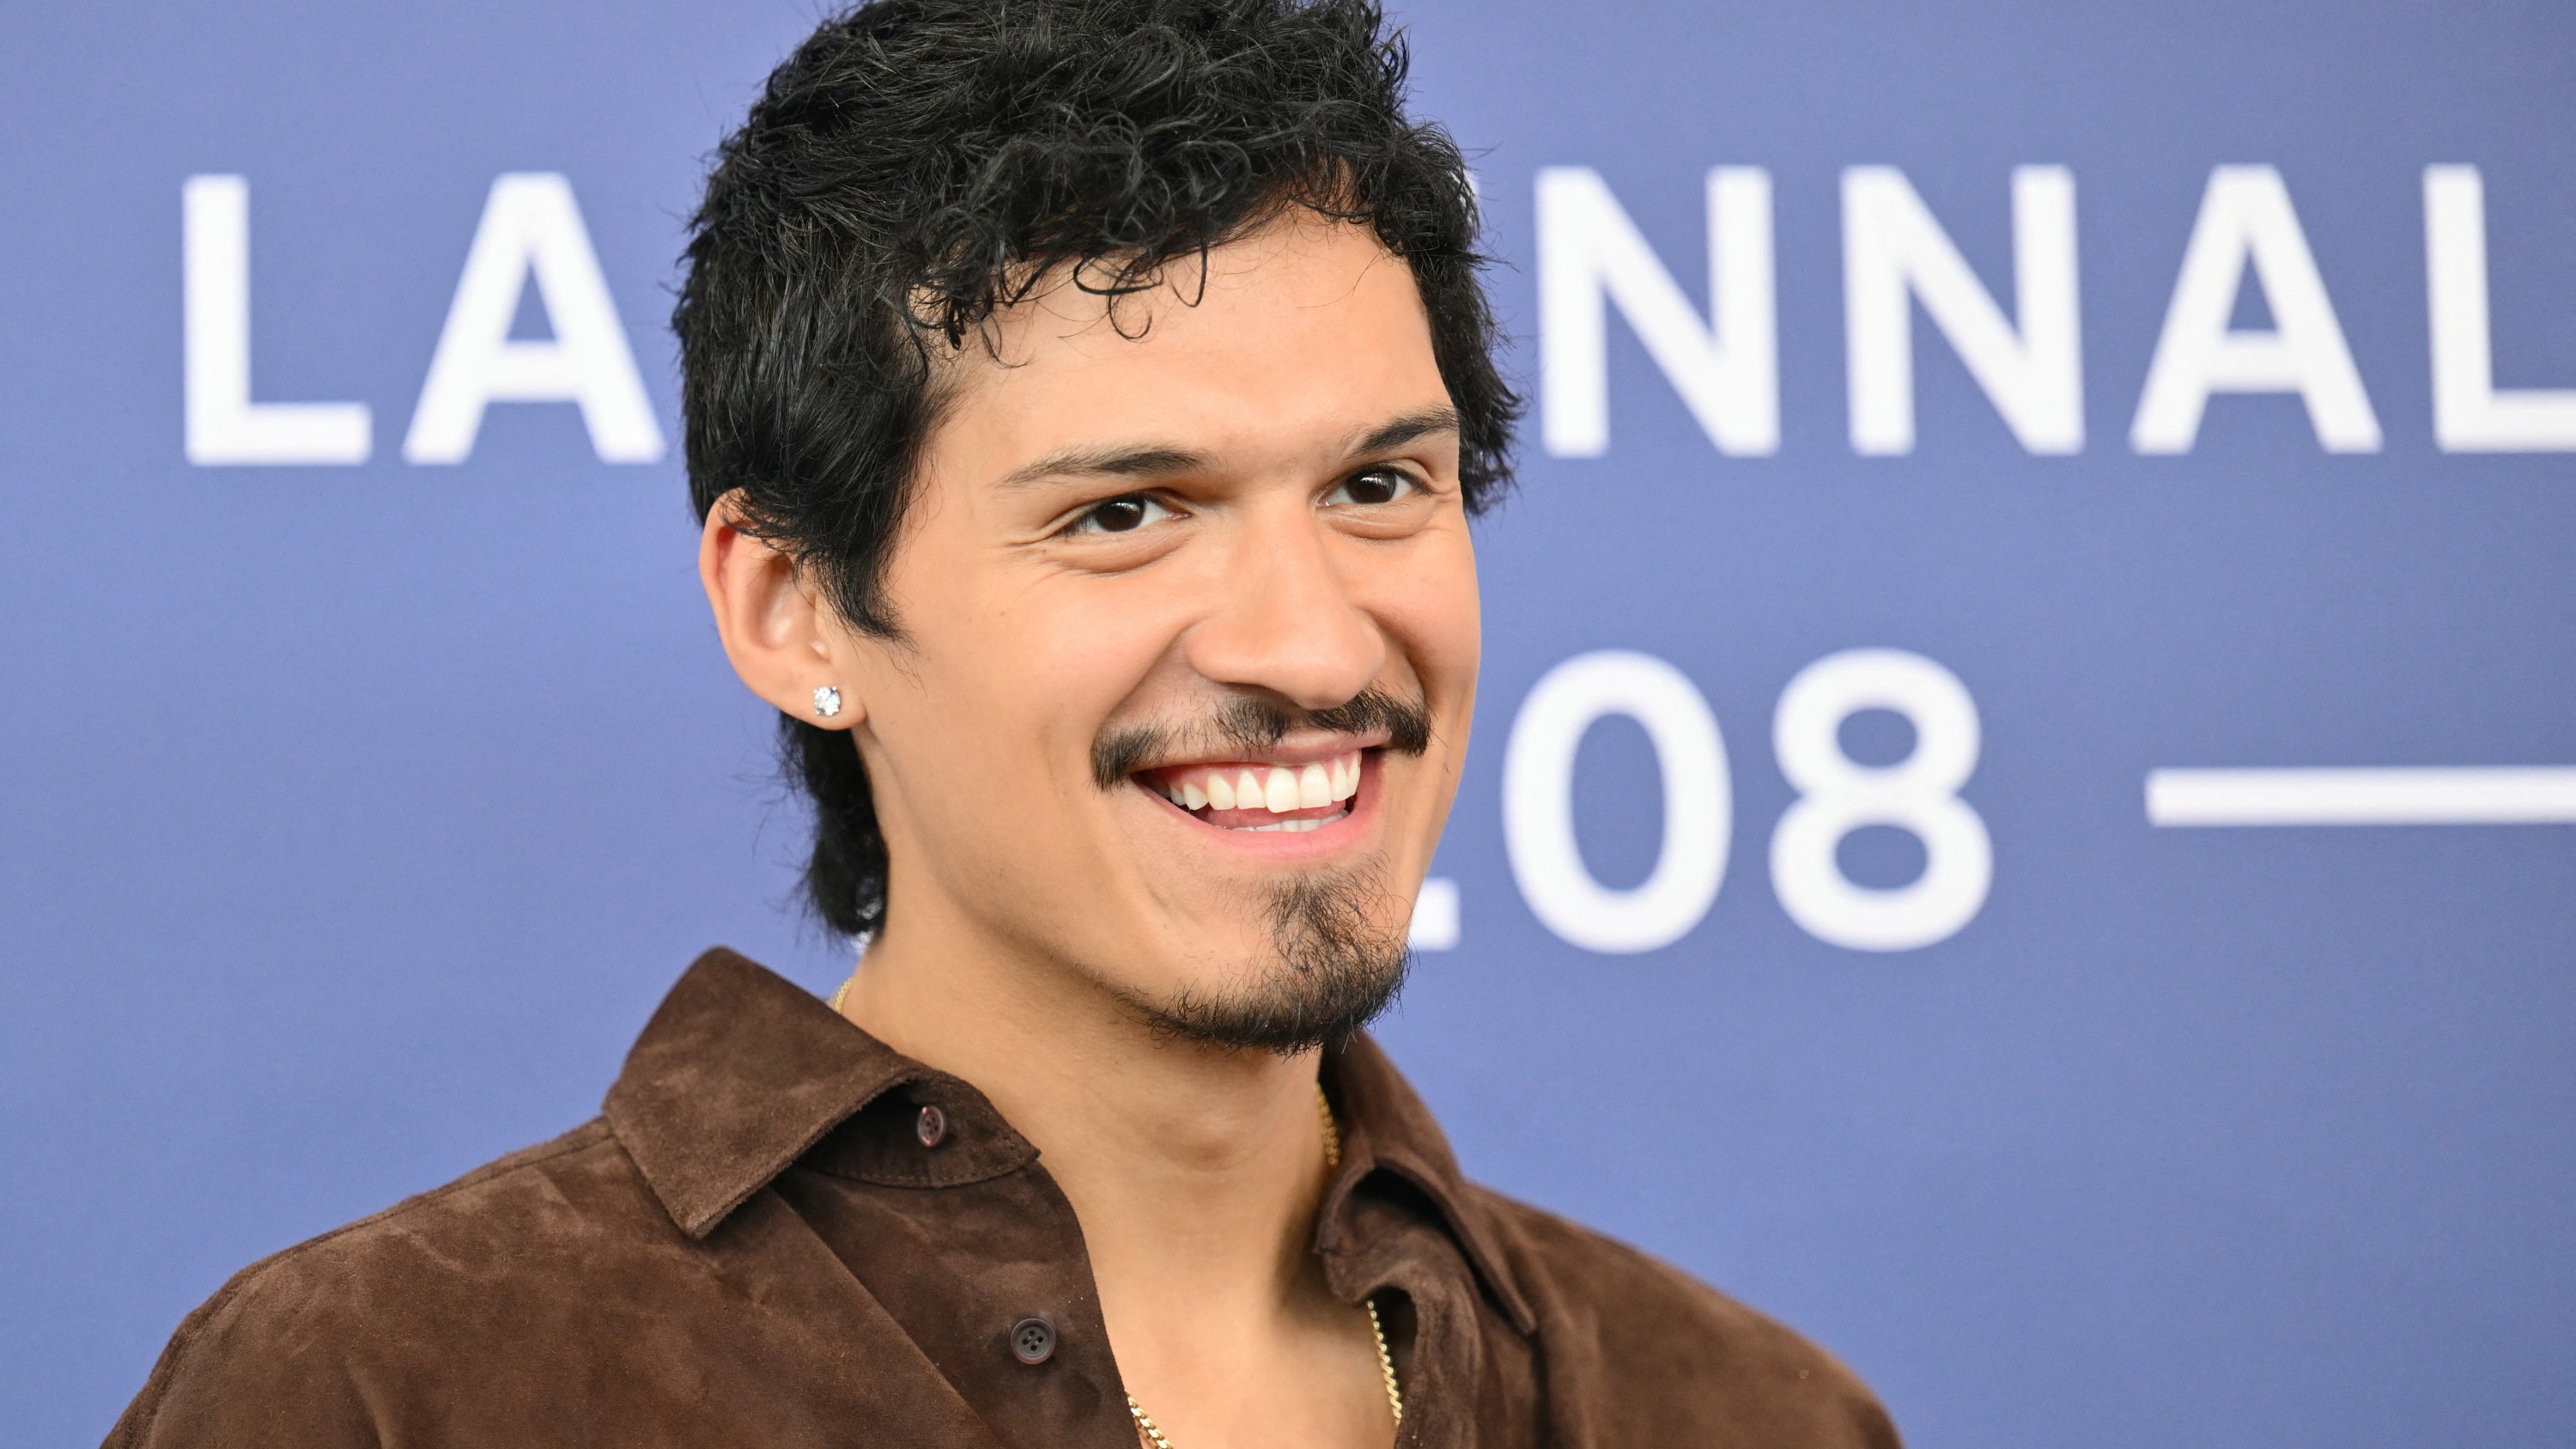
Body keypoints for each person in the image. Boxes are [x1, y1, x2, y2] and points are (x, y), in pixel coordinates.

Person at [108, 2, 1900, 1446]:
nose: (1306, 638)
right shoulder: (392, 1392)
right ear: (791, 607)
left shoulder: (1742, 1411)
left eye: (1376, 484)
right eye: (1127, 512)